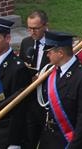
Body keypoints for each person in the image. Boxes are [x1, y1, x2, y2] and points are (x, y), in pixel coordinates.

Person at [39, 31, 82, 149]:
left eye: (49, 52)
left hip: (73, 143)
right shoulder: (51, 73)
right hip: (50, 141)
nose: (47, 55)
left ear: (60, 53)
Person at [0, 17, 30, 149]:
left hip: (5, 136)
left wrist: (14, 142)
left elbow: (19, 108)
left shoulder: (17, 68)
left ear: (7, 39)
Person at [19, 10, 50, 149]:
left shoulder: (54, 44)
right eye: (29, 28)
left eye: (36, 28)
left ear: (45, 26)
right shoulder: (26, 43)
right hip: (30, 101)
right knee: (28, 141)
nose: (32, 32)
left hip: (47, 101)